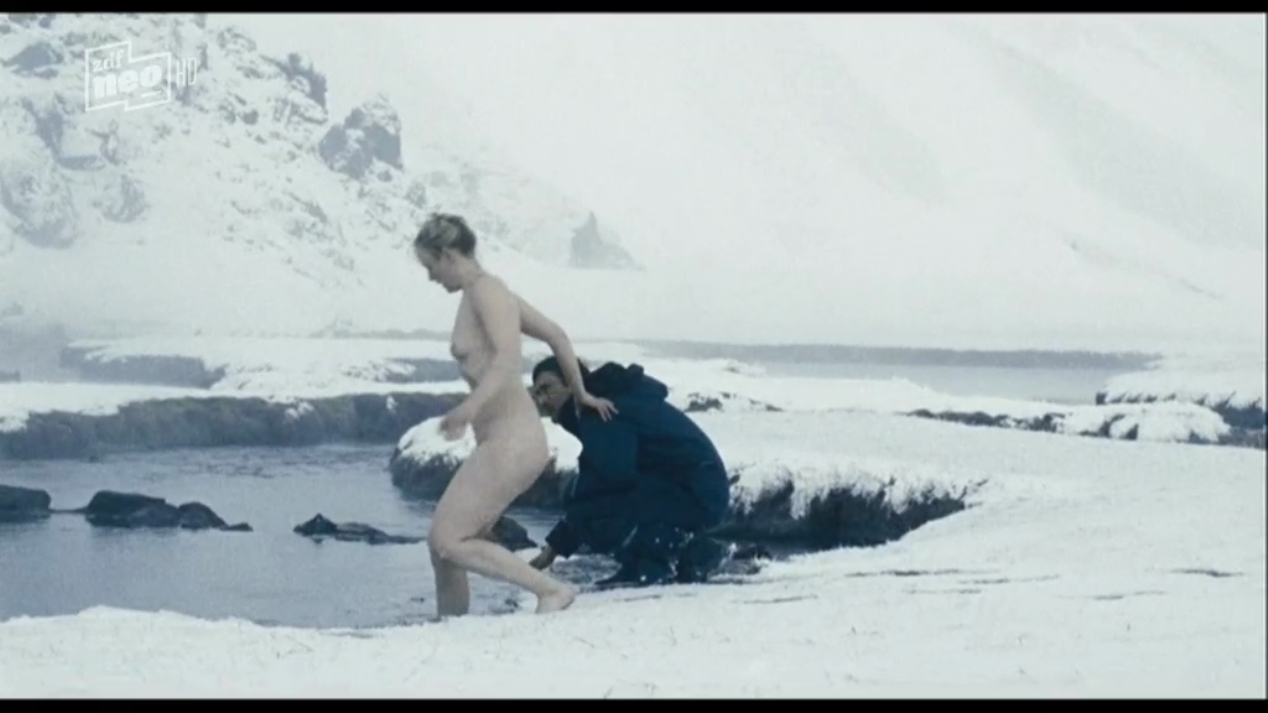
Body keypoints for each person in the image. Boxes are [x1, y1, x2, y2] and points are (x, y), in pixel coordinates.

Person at [412, 212, 617, 617]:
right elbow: (556, 335)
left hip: (513, 442)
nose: (431, 277)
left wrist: (469, 408)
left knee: (447, 540)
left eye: (431, 265)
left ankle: (551, 591)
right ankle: (449, 628)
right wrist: (580, 392)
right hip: (502, 441)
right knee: (444, 547)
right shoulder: (480, 293)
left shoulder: (488, 292)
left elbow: (507, 360)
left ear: (448, 254)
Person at [527, 356, 733, 587]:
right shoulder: (600, 405)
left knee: (597, 509)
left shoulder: (603, 410)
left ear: (572, 383)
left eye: (547, 388)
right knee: (590, 499)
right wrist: (556, 546)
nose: (542, 400)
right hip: (693, 487)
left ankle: (678, 557)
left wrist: (563, 536)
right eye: (536, 393)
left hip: (699, 492)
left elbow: (612, 478)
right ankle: (656, 559)